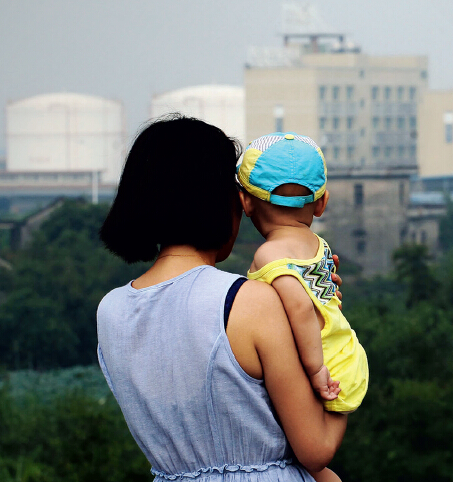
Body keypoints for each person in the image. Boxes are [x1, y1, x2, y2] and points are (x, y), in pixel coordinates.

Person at [97, 115, 347, 482]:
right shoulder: (250, 301)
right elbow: (317, 447)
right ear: (221, 202)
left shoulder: (110, 312)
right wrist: (329, 321)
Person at [236, 132, 369, 415]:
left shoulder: (267, 254)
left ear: (246, 203)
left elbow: (301, 307)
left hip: (321, 370)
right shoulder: (318, 244)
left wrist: (316, 369)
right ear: (321, 204)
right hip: (346, 353)